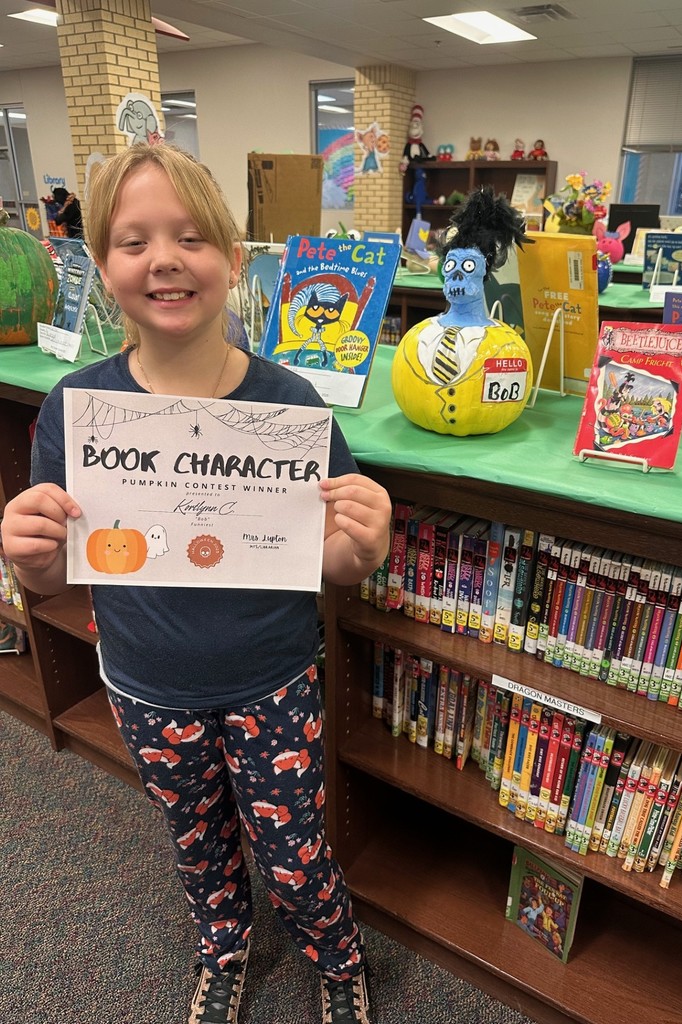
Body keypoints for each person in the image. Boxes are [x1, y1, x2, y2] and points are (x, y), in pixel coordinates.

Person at [1, 142, 391, 1024]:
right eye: (134, 241)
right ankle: (224, 948)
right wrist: (31, 558)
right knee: (195, 840)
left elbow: (324, 562)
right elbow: (64, 569)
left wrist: (361, 550)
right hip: (146, 687)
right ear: (102, 267)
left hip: (274, 683)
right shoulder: (76, 409)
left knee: (294, 849)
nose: (165, 259)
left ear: (234, 258)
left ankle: (339, 958)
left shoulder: (291, 406)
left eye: (189, 237)